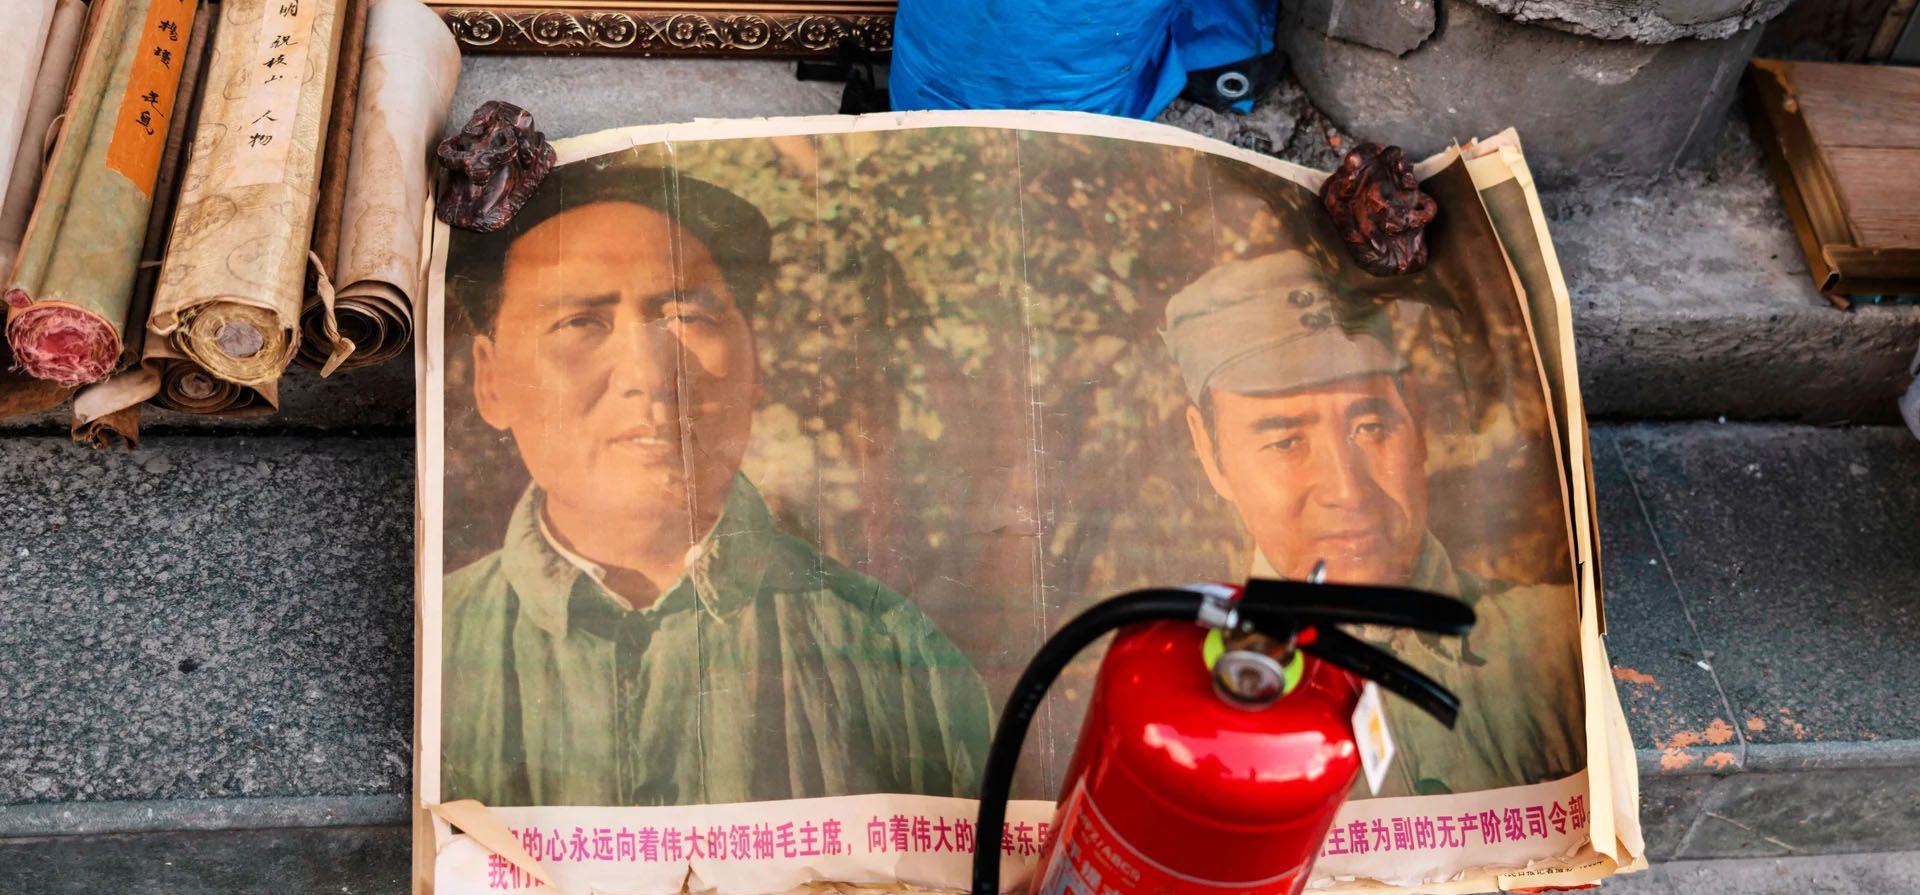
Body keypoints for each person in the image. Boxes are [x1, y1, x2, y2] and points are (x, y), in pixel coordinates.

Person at [439, 162, 991, 808]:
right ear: (490, 380)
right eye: (580, 323)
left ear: (754, 363)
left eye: (686, 315)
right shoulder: (437, 646)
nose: (649, 373)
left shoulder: (899, 652)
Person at [1161, 249, 1585, 797]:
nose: (1347, 490)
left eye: (1370, 425)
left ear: (1417, 419)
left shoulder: (1554, 640)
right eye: (1285, 441)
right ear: (1210, 453)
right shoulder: (1180, 705)